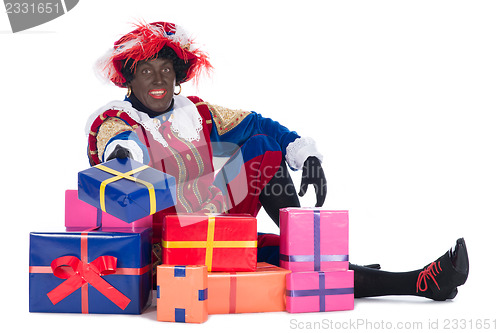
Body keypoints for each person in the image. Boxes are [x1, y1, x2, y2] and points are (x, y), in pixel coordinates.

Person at [86, 21, 469, 302]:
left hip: (211, 231)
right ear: (128, 81)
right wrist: (122, 155)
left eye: (166, 69)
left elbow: (257, 123)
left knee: (280, 226)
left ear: (178, 77)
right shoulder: (117, 121)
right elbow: (117, 146)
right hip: (166, 249)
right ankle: (328, 255)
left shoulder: (196, 114)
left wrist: (306, 153)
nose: (159, 78)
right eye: (147, 71)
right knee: (270, 187)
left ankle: (416, 281)